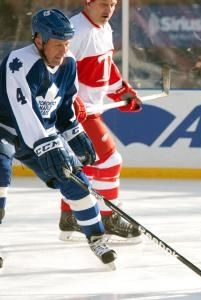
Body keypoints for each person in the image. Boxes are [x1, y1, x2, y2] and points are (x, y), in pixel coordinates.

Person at [0, 8, 116, 267]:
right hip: (5, 129)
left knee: (78, 182)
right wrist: (47, 145)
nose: (63, 51)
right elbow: (24, 111)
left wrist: (76, 134)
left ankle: (97, 238)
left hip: (40, 134)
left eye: (67, 44)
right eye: (57, 45)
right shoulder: (19, 62)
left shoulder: (69, 63)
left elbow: (64, 109)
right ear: (39, 40)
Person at [58, 0, 142, 243]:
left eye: (113, 4)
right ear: (89, 2)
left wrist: (121, 91)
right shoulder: (76, 31)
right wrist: (69, 100)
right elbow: (55, 69)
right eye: (103, 3)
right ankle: (108, 218)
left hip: (90, 110)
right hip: (75, 114)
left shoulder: (104, 28)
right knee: (110, 161)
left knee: (84, 166)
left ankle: (70, 216)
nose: (109, 10)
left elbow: (105, 66)